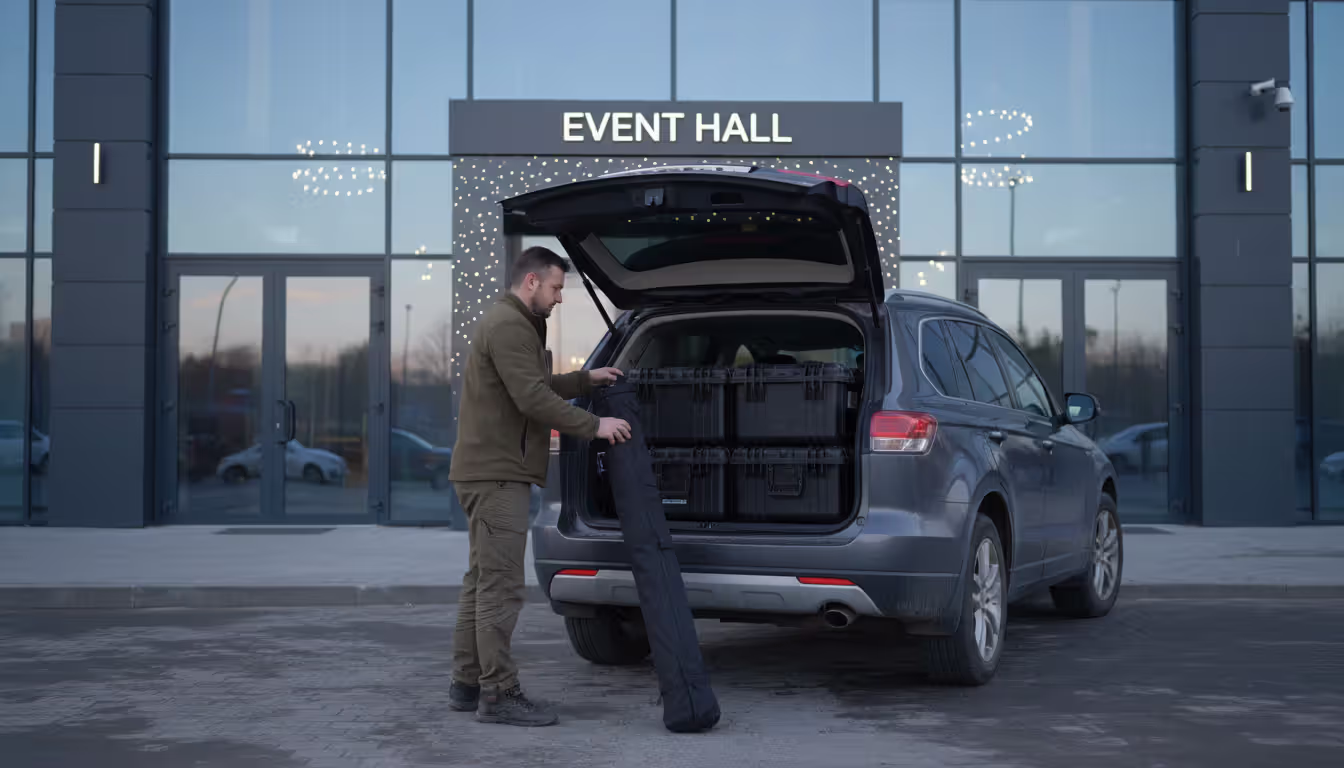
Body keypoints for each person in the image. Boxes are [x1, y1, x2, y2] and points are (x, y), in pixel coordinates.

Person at [447, 245, 631, 727]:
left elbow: (532, 382)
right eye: (554, 287)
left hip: (489, 470)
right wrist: (596, 426)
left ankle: (467, 684)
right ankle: (498, 693)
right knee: (501, 588)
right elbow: (531, 397)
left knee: (481, 581)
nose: (559, 297)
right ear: (531, 281)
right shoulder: (508, 324)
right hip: (496, 474)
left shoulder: (513, 323)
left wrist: (585, 379)